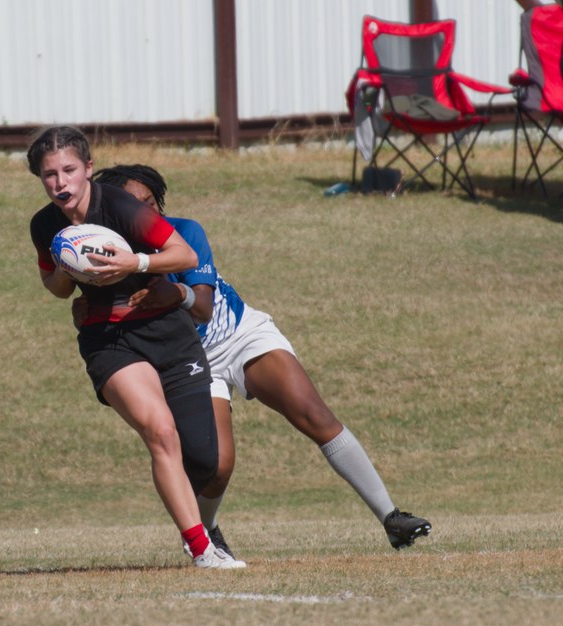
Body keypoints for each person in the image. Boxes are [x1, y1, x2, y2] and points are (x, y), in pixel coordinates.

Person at [88, 164, 432, 558]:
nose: (146, 212)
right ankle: (208, 532)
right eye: (134, 206)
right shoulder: (108, 256)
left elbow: (201, 307)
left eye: (150, 202)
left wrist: (175, 295)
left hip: (239, 332)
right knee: (217, 465)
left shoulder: (184, 232)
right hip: (191, 358)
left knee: (314, 414)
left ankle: (391, 518)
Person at [27, 126, 246, 569]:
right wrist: (70, 267)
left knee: (205, 459)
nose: (60, 183)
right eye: (49, 175)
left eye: (69, 170)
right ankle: (202, 549)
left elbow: (182, 254)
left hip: (168, 333)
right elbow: (53, 288)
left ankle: (196, 519)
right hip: (109, 339)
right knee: (160, 432)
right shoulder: (44, 224)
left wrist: (135, 262)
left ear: (88, 169)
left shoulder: (123, 207)